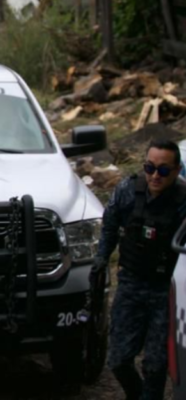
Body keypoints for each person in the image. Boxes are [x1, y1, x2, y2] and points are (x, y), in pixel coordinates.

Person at [93, 140, 186, 400]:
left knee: (155, 366)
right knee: (119, 360)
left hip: (164, 290)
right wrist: (102, 257)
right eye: (150, 167)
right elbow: (110, 223)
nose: (155, 176)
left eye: (164, 170)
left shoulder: (182, 201)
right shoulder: (127, 190)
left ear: (177, 170)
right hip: (131, 284)